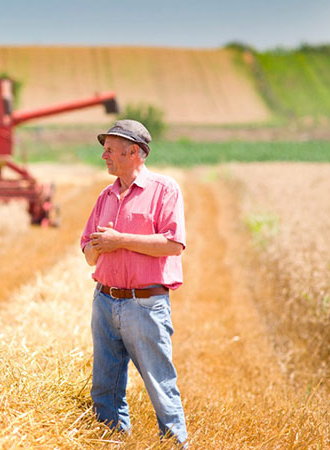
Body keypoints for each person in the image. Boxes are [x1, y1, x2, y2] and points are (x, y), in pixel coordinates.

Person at [80, 119, 188, 446]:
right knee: (105, 388)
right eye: (104, 150)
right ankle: (111, 442)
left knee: (160, 385)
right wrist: (97, 246)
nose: (104, 156)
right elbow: (87, 252)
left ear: (135, 152)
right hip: (105, 301)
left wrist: (120, 240)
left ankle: (175, 443)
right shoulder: (106, 195)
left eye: (111, 150)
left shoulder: (165, 190)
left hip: (146, 304)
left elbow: (173, 244)